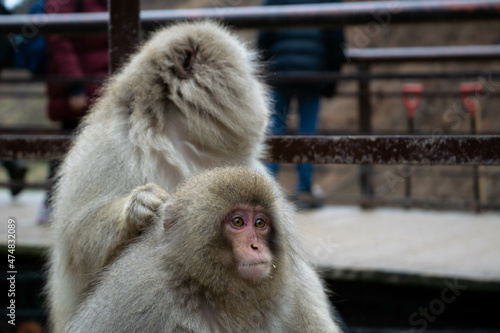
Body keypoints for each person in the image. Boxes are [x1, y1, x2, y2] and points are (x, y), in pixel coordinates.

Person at [258, 0, 346, 209]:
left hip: (281, 72)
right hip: (312, 73)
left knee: (275, 130)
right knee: (307, 132)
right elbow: (336, 40)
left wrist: (266, 68)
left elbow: (264, 35)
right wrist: (331, 80)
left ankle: (266, 191)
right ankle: (304, 191)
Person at [38, 0, 108, 224]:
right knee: (69, 143)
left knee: (94, 146)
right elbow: (59, 40)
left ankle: (86, 206)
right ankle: (51, 203)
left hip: (103, 85)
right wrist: (75, 85)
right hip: (83, 89)